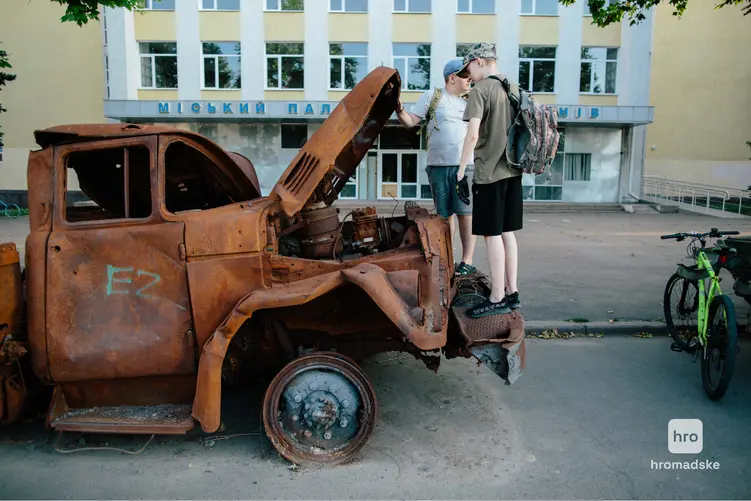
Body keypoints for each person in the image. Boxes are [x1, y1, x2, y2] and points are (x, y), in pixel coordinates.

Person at [455, 42, 522, 318]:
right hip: (513, 172)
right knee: (508, 233)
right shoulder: (514, 87)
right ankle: (512, 291)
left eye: (468, 67)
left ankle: (496, 297)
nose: (467, 75)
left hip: (489, 174)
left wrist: (461, 172)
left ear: (479, 61)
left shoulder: (481, 90)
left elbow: (472, 135)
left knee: (491, 235)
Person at [394, 59, 478, 276]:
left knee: (465, 213)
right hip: (438, 166)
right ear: (452, 77)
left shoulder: (471, 100)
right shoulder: (432, 97)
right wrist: (400, 110)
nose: (470, 80)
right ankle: (447, 256)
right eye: (465, 76)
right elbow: (411, 121)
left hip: (465, 167)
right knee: (444, 215)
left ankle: (466, 261)